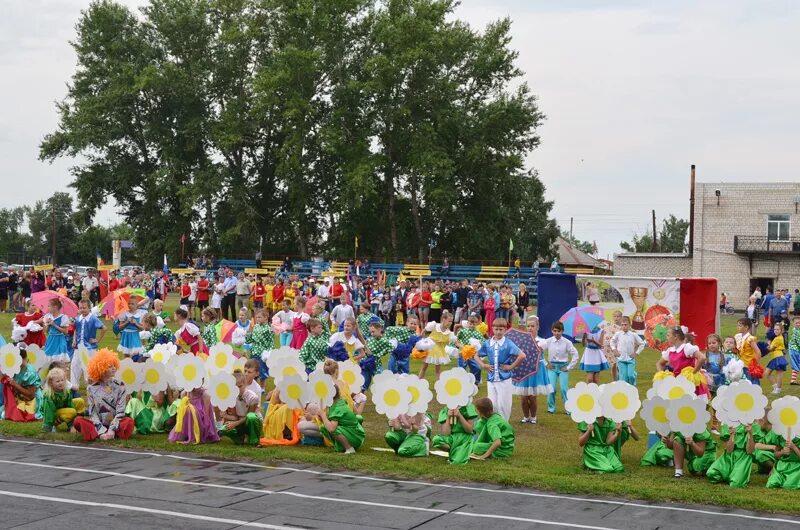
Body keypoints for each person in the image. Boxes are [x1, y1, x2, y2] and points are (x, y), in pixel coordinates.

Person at [72, 349, 135, 441]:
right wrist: (101, 431)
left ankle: (108, 434)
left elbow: (120, 411)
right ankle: (102, 434)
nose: (114, 368)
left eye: (114, 365)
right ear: (100, 368)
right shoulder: (91, 388)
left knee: (129, 422)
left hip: (116, 423)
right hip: (98, 424)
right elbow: (92, 413)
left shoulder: (120, 385)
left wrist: (111, 430)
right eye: (110, 366)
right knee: (78, 421)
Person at [476, 318, 525, 421]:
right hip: (491, 378)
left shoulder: (508, 343)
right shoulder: (488, 343)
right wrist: (483, 365)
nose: (498, 332)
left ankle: (504, 424)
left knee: (504, 404)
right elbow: (476, 355)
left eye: (501, 329)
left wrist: (511, 367)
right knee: (492, 404)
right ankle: (494, 424)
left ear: (505, 330)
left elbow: (522, 355)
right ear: (492, 329)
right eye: (496, 329)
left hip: (504, 379)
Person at [512, 316, 552, 425]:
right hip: (524, 370)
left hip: (536, 371)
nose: (530, 328)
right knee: (524, 397)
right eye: (528, 326)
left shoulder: (542, 341)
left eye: (532, 326)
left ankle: (533, 417)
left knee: (532, 397)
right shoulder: (522, 341)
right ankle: (526, 416)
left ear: (537, 327)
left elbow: (536, 348)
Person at [656, 327, 709, 400]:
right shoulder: (670, 350)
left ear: (675, 336)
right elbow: (659, 363)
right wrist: (663, 375)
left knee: (693, 407)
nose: (666, 338)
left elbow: (702, 358)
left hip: (689, 382)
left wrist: (693, 373)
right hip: (676, 382)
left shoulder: (686, 348)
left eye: (668, 335)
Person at [641, 429, 716, 478]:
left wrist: (692, 443)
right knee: (678, 439)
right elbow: (671, 445)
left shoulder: (700, 429)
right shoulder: (678, 426)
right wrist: (667, 441)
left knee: (694, 470)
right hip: (692, 451)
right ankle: (678, 471)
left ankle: (708, 466)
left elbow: (700, 453)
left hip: (705, 453)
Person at [317, 385, 365, 454]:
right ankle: (341, 446)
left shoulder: (338, 408)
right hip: (352, 432)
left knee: (333, 429)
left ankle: (349, 448)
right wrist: (322, 418)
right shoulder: (336, 403)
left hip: (356, 436)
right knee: (323, 427)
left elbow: (331, 429)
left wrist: (323, 415)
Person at [218, 372, 262, 445]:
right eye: (235, 387)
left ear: (245, 384)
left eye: (240, 386)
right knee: (224, 429)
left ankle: (254, 441)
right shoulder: (231, 396)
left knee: (251, 417)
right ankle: (239, 438)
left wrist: (235, 423)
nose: (238, 389)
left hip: (252, 422)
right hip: (240, 422)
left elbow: (249, 415)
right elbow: (235, 417)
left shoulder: (253, 397)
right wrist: (225, 416)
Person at [544, 321, 579, 414]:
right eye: (555, 331)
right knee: (551, 388)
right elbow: (539, 351)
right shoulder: (548, 341)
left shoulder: (567, 342)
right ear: (552, 331)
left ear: (562, 331)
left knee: (564, 389)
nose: (557, 333)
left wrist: (568, 367)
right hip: (552, 367)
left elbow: (575, 354)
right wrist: (546, 363)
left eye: (559, 331)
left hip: (563, 367)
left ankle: (568, 409)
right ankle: (551, 408)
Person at [707, 423, 756, 488]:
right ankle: (730, 476)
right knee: (711, 474)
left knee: (736, 484)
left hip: (744, 456)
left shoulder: (753, 424)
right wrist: (732, 435)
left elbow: (749, 451)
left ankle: (735, 476)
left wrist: (750, 434)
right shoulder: (728, 422)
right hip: (729, 456)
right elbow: (729, 450)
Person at [71, 299, 106, 389]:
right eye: (80, 308)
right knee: (75, 365)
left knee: (88, 366)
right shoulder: (78, 318)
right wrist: (74, 340)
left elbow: (104, 328)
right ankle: (74, 385)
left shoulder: (93, 318)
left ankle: (90, 385)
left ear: (89, 308)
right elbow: (75, 329)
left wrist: (97, 340)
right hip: (78, 347)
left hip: (89, 348)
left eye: (84, 308)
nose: (82, 310)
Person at [0, 349, 42, 421]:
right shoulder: (14, 368)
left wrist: (15, 385)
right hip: (19, 398)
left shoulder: (30, 373)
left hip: (31, 401)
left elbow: (31, 395)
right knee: (3, 411)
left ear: (25, 359)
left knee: (17, 414)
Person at [432, 400, 478, 465]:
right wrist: (448, 417)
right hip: (452, 437)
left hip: (465, 439)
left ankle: (460, 452)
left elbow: (469, 430)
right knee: (436, 440)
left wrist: (460, 416)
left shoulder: (467, 407)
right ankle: (453, 450)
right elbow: (446, 433)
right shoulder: (445, 410)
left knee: (457, 462)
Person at [40, 367, 84, 432]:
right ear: (51, 383)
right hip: (51, 413)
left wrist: (71, 424)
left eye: (62, 380)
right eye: (57, 381)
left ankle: (79, 423)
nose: (61, 383)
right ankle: (53, 425)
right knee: (72, 412)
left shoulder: (66, 391)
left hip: (62, 409)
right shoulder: (49, 395)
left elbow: (69, 405)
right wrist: (47, 427)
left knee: (80, 401)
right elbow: (48, 412)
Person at [420, 310, 456, 381]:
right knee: (424, 366)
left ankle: (438, 384)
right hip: (430, 348)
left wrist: (462, 347)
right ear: (443, 320)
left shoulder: (449, 333)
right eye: (449, 321)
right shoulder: (435, 325)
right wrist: (421, 337)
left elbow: (456, 342)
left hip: (439, 351)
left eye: (451, 321)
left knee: (438, 369)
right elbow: (425, 330)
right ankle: (418, 380)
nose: (450, 323)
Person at [610, 316, 644, 386]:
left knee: (630, 376)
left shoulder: (633, 335)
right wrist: (614, 349)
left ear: (629, 325)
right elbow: (612, 341)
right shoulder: (618, 334)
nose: (624, 326)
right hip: (621, 359)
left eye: (625, 325)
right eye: (622, 325)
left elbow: (642, 343)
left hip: (630, 359)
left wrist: (636, 353)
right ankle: (624, 390)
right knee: (623, 378)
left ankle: (632, 386)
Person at [247, 308, 275, 384]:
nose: (257, 319)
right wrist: (246, 336)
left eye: (259, 317)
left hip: (262, 354)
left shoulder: (268, 329)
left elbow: (271, 343)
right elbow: (251, 338)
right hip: (254, 352)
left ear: (266, 317)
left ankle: (262, 388)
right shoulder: (256, 326)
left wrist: (269, 353)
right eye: (256, 317)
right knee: (253, 369)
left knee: (262, 371)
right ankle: (254, 385)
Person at [456, 313, 485, 384]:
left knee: (477, 368)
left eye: (474, 324)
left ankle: (475, 383)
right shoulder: (463, 331)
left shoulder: (478, 333)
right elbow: (456, 340)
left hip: (473, 354)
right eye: (470, 323)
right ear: (467, 323)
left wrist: (479, 347)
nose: (472, 325)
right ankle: (460, 383)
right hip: (463, 353)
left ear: (477, 324)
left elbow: (482, 342)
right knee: (461, 368)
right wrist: (461, 346)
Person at [42, 299, 71, 364]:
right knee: (48, 360)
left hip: (59, 340)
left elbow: (66, 332)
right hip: (50, 340)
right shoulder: (48, 316)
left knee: (59, 360)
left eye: (49, 306)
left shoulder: (63, 317)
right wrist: (48, 325)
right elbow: (46, 331)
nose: (48, 308)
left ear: (55, 307)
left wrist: (54, 325)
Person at [734, 318, 761, 383]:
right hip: (741, 364)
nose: (738, 327)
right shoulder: (738, 337)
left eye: (740, 326)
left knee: (752, 381)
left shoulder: (750, 339)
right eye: (737, 325)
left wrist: (755, 365)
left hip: (749, 364)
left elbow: (758, 352)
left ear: (746, 327)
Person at [765, 321, 788, 395]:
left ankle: (778, 389)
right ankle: (776, 388)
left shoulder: (778, 339)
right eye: (775, 329)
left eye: (778, 329)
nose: (776, 331)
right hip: (775, 357)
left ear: (781, 330)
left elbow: (770, 349)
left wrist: (767, 344)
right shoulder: (777, 338)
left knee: (779, 374)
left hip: (778, 357)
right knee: (767, 373)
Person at [789, 316, 800, 386]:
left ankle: (793, 380)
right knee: (797, 364)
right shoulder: (797, 331)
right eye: (797, 323)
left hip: (792, 350)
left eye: (799, 323)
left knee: (795, 365)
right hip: (795, 351)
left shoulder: (793, 330)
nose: (798, 324)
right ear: (793, 323)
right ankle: (793, 380)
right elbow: (799, 342)